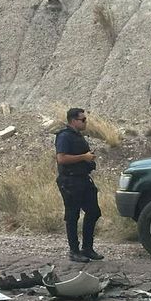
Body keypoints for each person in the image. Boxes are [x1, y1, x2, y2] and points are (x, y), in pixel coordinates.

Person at [55, 107, 102, 263]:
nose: (85, 122)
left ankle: (87, 248)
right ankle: (74, 251)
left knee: (93, 212)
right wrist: (84, 157)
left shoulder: (78, 136)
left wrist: (88, 159)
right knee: (72, 216)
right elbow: (61, 159)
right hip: (70, 181)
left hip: (83, 179)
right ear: (74, 121)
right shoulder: (64, 136)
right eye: (83, 120)